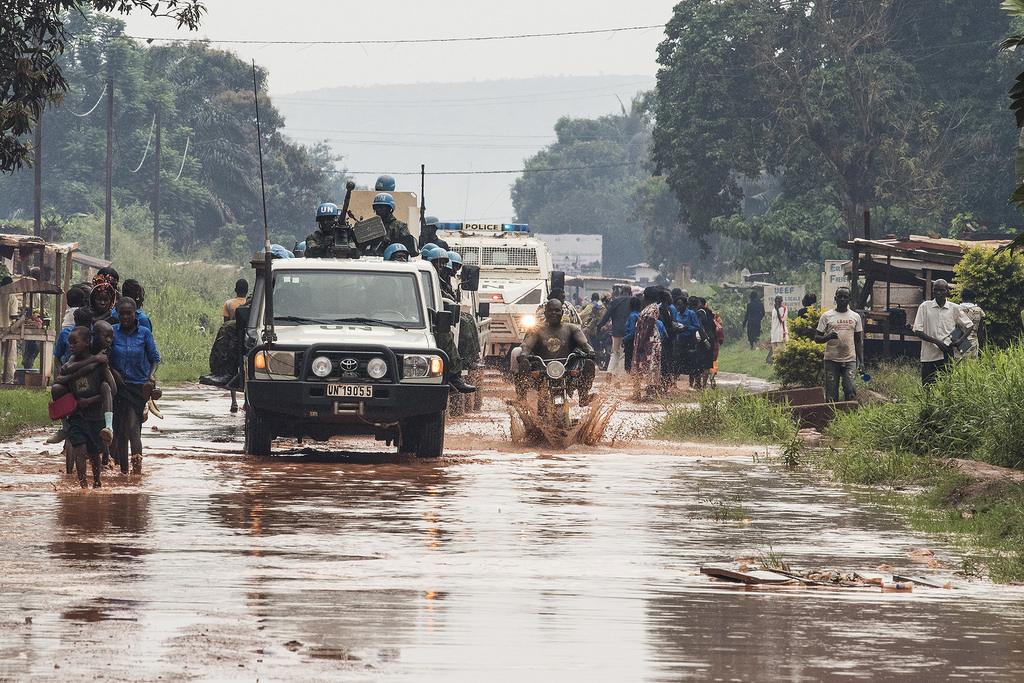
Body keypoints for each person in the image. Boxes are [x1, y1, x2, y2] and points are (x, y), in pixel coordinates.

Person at [51, 326, 116, 488]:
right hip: (78, 416)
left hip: (96, 416)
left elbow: (112, 389)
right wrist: (92, 363)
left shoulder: (101, 365)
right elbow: (63, 374)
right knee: (79, 450)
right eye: (70, 343)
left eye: (75, 342)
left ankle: (97, 482)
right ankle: (83, 487)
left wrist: (92, 400)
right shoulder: (73, 362)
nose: (71, 346)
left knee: (94, 453)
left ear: (87, 342)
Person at [111, 297, 161, 474]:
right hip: (117, 387)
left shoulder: (144, 333)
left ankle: (137, 470)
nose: (125, 317)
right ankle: (124, 472)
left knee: (133, 427)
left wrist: (151, 375)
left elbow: (155, 358)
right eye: (122, 313)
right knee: (120, 430)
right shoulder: (112, 332)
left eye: (129, 313)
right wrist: (113, 372)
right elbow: (105, 356)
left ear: (135, 314)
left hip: (138, 386)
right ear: (117, 314)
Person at [516, 298, 596, 406]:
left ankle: (583, 396)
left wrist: (590, 351)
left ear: (562, 313)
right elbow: (527, 345)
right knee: (523, 363)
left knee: (589, 364)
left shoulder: (571, 328)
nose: (554, 313)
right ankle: (521, 399)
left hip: (567, 369)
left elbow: (584, 344)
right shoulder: (536, 330)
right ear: (545, 313)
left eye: (557, 310)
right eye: (550, 310)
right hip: (542, 369)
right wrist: (524, 354)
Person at [912, 279, 972, 385]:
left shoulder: (954, 308)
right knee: (927, 386)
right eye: (936, 290)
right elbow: (917, 330)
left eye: (942, 290)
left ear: (947, 291)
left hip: (947, 353)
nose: (938, 293)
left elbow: (969, 326)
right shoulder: (925, 307)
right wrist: (937, 342)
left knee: (946, 386)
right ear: (932, 291)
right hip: (929, 355)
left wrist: (959, 341)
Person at [814, 287, 863, 402]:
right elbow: (817, 338)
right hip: (831, 360)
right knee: (831, 393)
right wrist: (828, 337)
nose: (842, 299)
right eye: (839, 296)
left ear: (849, 299)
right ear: (835, 298)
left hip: (850, 359)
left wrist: (861, 362)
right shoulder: (826, 316)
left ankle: (850, 416)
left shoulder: (856, 317)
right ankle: (831, 417)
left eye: (845, 297)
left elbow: (858, 341)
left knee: (850, 389)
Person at [631, 287, 664, 400]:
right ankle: (638, 392)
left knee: (650, 366)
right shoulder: (648, 307)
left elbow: (649, 326)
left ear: (647, 296)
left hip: (650, 341)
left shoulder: (654, 307)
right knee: (640, 364)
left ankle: (650, 393)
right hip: (643, 339)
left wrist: (642, 343)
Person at [599, 285, 632, 374]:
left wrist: (599, 326)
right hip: (627, 331)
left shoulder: (615, 301)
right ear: (630, 292)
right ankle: (619, 377)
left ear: (621, 292)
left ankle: (610, 372)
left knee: (615, 352)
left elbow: (607, 315)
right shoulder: (633, 301)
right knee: (623, 354)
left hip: (616, 331)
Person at [957, 289, 986, 359]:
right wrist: (981, 349)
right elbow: (980, 332)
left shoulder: (956, 309)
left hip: (959, 342)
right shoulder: (979, 311)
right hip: (974, 343)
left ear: (962, 297)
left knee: (959, 366)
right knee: (972, 367)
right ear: (974, 298)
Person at [1, 275, 18, 383]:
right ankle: (8, 380)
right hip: (8, 329)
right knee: (10, 356)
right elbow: (13, 316)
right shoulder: (12, 297)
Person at [622, 296, 644, 372]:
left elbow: (632, 333)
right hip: (638, 341)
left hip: (630, 342)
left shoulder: (632, 316)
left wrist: (624, 339)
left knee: (628, 365)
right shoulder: (640, 314)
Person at [767, 295, 789, 363]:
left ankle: (783, 366)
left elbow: (781, 320)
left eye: (779, 300)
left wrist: (777, 310)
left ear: (781, 301)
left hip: (781, 333)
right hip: (774, 334)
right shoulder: (773, 309)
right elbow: (773, 322)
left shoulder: (784, 308)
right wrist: (771, 333)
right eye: (776, 300)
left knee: (782, 353)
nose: (777, 302)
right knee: (775, 354)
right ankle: (776, 367)